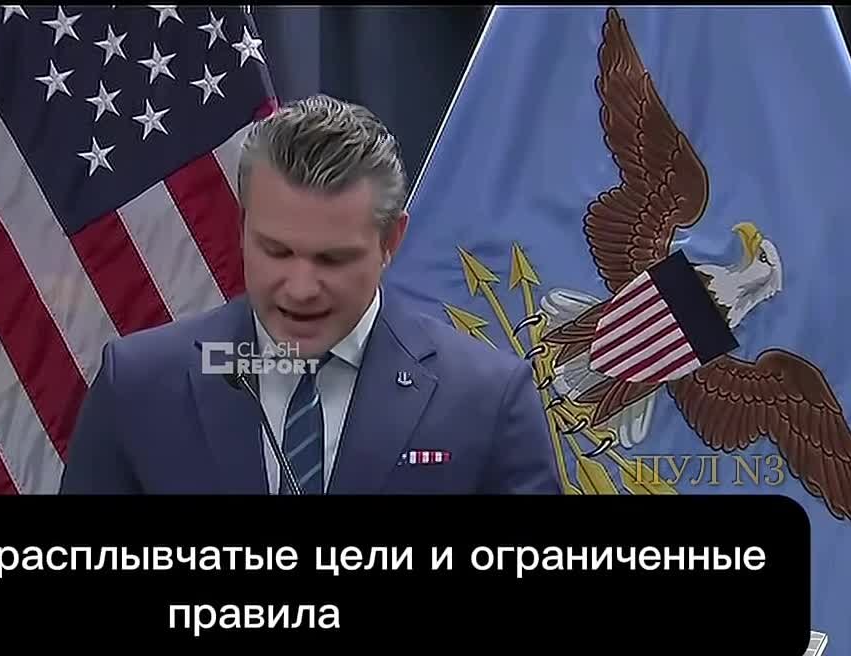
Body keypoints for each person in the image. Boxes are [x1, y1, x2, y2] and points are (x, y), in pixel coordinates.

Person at [59, 95, 560, 495]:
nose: (300, 289)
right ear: (242, 227)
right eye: (276, 251)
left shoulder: (487, 399)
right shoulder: (138, 386)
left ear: (391, 241)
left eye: (332, 259)